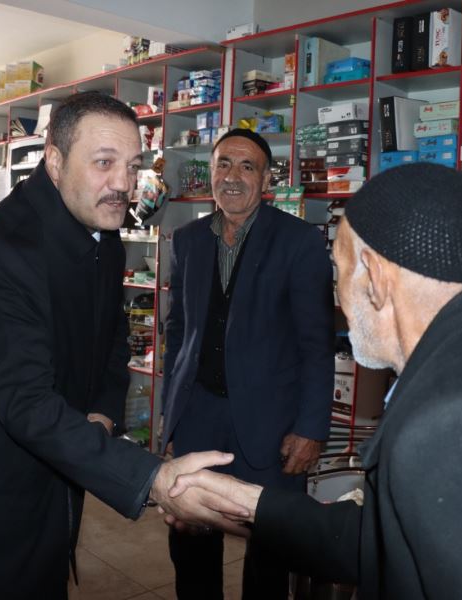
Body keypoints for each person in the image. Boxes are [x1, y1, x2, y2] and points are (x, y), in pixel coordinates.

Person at [166, 162, 462, 599]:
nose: (337, 297)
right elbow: (396, 540)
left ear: (374, 277)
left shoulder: (458, 421)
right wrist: (249, 505)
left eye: (338, 273)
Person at [0, 92, 247, 600]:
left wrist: (101, 413)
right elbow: (26, 403)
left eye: (132, 166)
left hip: (53, 473)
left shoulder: (100, 231)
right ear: (55, 161)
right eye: (104, 163)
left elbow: (112, 338)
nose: (123, 184)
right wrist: (151, 478)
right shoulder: (1, 253)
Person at [160, 128, 334, 599]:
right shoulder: (187, 240)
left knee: (270, 552)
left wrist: (311, 428)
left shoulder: (299, 241)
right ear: (210, 173)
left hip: (273, 424)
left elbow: (317, 343)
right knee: (191, 544)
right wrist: (170, 417)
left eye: (247, 166)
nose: (232, 176)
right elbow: (178, 333)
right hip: (198, 414)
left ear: (267, 179)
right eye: (223, 164)